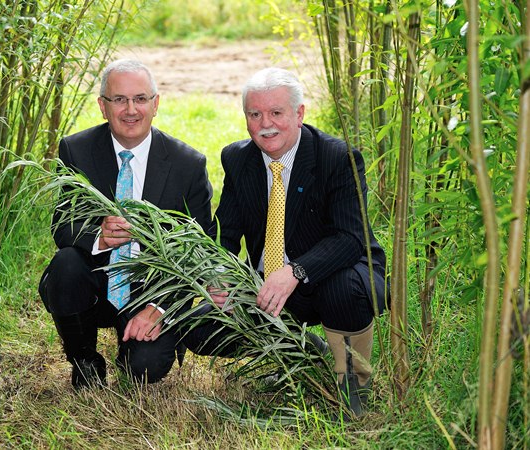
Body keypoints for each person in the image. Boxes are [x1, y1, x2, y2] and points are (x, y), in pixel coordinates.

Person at [184, 68, 389, 417]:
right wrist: (220, 275)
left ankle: (353, 384)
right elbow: (227, 233)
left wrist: (296, 270)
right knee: (199, 327)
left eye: (276, 112)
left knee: (345, 289)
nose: (266, 124)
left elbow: (350, 238)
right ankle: (304, 349)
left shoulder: (338, 158)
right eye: (255, 114)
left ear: (299, 114)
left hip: (332, 275)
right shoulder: (236, 158)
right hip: (267, 287)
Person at [38, 59, 213, 388]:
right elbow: (63, 224)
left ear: (156, 104)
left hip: (152, 289)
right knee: (65, 265)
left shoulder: (188, 164)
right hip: (96, 282)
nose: (130, 109)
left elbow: (200, 250)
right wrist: (99, 238)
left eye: (140, 99)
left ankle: (131, 352)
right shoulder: (76, 150)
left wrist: (160, 308)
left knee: (144, 368)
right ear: (103, 107)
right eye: (119, 99)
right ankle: (85, 360)